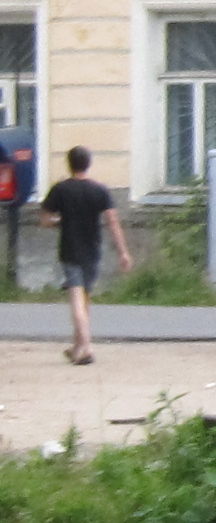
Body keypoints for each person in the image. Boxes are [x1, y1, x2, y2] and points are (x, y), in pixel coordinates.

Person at [42, 146, 128, 366]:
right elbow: (113, 222)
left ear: (69, 164)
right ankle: (77, 346)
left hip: (70, 250)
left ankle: (86, 347)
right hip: (92, 250)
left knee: (76, 300)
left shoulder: (60, 189)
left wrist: (60, 222)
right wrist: (123, 252)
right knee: (84, 298)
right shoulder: (100, 191)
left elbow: (45, 220)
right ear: (88, 164)